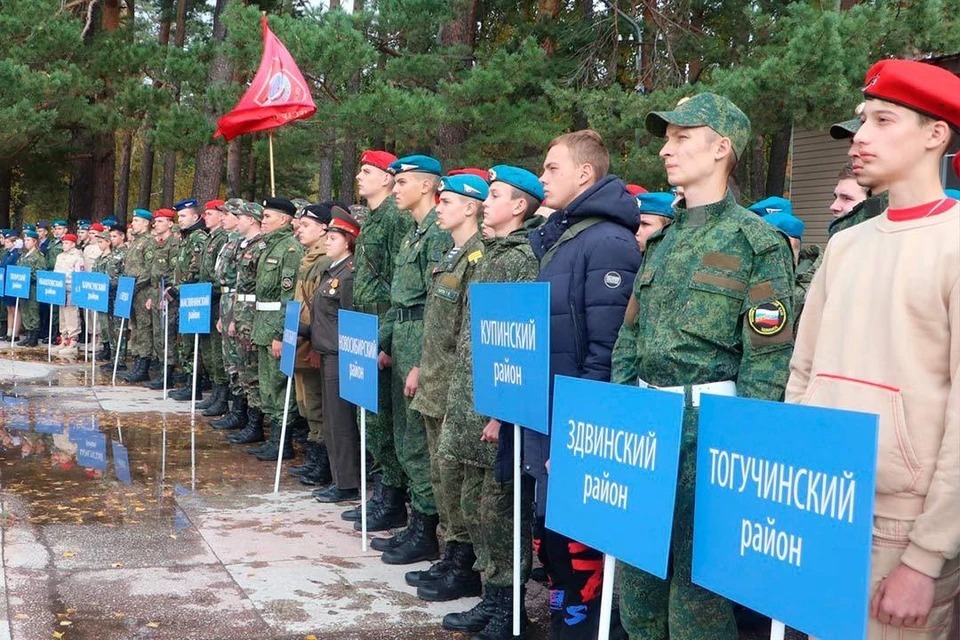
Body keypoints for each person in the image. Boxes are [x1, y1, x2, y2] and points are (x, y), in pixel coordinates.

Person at [611, 92, 796, 640]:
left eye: (681, 137)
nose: (667, 149)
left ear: (721, 148)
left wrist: (743, 451)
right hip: (647, 431)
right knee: (638, 591)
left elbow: (768, 360)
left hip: (709, 435)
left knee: (698, 603)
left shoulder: (756, 244)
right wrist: (622, 411)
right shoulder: (663, 240)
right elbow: (630, 335)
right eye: (666, 138)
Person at [787, 58, 960, 640]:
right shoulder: (846, 245)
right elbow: (802, 371)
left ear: (936, 134)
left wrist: (924, 559)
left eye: (884, 120)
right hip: (821, 504)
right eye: (863, 120)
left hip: (900, 527)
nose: (860, 137)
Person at [526, 129, 642, 639]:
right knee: (549, 529)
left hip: (574, 416)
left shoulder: (608, 242)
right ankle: (563, 613)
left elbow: (608, 348)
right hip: (546, 406)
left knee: (577, 536)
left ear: (584, 174)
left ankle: (583, 622)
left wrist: (579, 428)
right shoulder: (564, 236)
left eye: (552, 168)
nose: (542, 177)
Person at [439, 165, 544, 640]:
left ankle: (511, 609)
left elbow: (518, 345)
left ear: (519, 205)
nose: (486, 203)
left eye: (495, 194)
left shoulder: (523, 258)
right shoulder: (490, 254)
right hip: (470, 398)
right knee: (477, 507)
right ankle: (492, 596)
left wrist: (504, 414)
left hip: (497, 408)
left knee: (501, 512)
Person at [408, 173, 488, 602]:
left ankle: (465, 562)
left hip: (456, 389)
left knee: (458, 480)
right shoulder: (452, 255)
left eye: (448, 201)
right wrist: (420, 366)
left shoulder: (478, 259)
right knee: (442, 478)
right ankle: (453, 550)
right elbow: (436, 326)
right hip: (435, 382)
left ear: (472, 207)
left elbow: (466, 335)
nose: (439, 206)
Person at [370, 154, 452, 565]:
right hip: (402, 334)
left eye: (401, 183)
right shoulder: (414, 235)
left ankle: (426, 529)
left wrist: (421, 361)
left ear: (426, 186)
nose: (395, 188)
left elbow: (437, 307)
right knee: (405, 436)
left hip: (420, 338)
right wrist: (383, 342)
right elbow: (400, 300)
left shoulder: (438, 234)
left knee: (420, 440)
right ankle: (416, 522)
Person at [342, 149, 412, 532]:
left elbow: (399, 285)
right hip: (365, 324)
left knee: (384, 418)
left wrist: (385, 340)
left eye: (367, 171)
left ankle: (393, 498)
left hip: (383, 325)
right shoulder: (373, 219)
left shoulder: (397, 220)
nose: (359, 177)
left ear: (387, 177)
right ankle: (384, 490)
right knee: (369, 414)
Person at [306, 210, 363, 502]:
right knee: (331, 421)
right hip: (328, 352)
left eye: (333, 237)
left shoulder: (348, 275)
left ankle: (347, 483)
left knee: (341, 422)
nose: (327, 242)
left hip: (342, 354)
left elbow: (350, 318)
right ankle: (338, 477)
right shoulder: (332, 271)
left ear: (349, 241)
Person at [248, 197, 304, 462]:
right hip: (263, 323)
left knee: (280, 386)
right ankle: (274, 438)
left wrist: (280, 334)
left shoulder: (290, 250)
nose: (263, 221)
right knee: (268, 385)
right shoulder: (271, 246)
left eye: (268, 216)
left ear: (284, 219)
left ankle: (282, 442)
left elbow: (289, 296)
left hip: (275, 327)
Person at [289, 202, 334, 488]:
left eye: (306, 225)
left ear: (323, 229)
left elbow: (321, 310)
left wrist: (316, 345)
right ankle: (315, 456)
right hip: (301, 338)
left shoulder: (323, 262)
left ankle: (322, 461)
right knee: (306, 403)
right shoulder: (308, 259)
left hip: (312, 341)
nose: (299, 229)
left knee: (317, 404)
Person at [225, 202, 269, 446]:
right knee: (241, 364)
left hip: (252, 309)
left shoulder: (261, 247)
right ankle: (243, 414)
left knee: (251, 367)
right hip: (240, 307)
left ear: (252, 219)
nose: (236, 220)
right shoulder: (244, 245)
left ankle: (256, 424)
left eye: (240, 217)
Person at [209, 199, 248, 431]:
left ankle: (239, 410)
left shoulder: (241, 243)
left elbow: (240, 281)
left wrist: (231, 314)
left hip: (236, 300)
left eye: (228, 215)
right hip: (226, 299)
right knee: (228, 357)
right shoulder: (231, 241)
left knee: (237, 360)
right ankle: (228, 401)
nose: (223, 218)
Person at [169, 198, 209, 401]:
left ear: (195, 216)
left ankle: (194, 385)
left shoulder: (198, 237)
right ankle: (188, 381)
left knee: (191, 343)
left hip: (192, 295)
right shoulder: (187, 237)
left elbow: (195, 268)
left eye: (183, 216)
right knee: (185, 341)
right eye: (179, 216)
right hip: (184, 295)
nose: (180, 219)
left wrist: (177, 289)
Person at [196, 200, 232, 417]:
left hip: (218, 297)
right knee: (210, 350)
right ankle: (217, 392)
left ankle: (222, 394)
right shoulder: (212, 238)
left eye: (210, 213)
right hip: (207, 297)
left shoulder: (223, 238)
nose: (205, 217)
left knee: (218, 351)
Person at [145, 208, 181, 390]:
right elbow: (153, 273)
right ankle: (161, 369)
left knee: (167, 334)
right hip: (156, 292)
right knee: (158, 334)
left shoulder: (173, 244)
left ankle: (168, 372)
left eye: (160, 221)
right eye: (155, 221)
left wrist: (168, 293)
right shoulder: (156, 243)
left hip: (168, 294)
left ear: (169, 223)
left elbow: (175, 272)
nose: (155, 224)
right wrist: (152, 296)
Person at [121, 210, 158, 383]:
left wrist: (136, 286)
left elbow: (149, 269)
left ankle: (143, 366)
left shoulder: (149, 242)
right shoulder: (136, 242)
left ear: (145, 223)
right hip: (132, 289)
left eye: (136, 220)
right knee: (135, 326)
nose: (133, 223)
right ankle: (136, 363)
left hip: (143, 291)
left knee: (144, 328)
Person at [52, 233, 86, 357]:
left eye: (66, 243)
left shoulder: (77, 257)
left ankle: (73, 341)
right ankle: (64, 338)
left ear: (73, 244)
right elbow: (56, 271)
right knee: (62, 315)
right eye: (63, 243)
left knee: (71, 313)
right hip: (60, 287)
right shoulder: (60, 256)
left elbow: (79, 274)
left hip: (71, 287)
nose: (64, 245)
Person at [100, 225, 128, 371]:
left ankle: (120, 360)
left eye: (115, 236)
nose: (112, 239)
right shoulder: (112, 253)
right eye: (110, 237)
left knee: (119, 328)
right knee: (110, 327)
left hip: (119, 293)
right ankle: (113, 357)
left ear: (122, 236)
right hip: (108, 294)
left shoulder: (125, 253)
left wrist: (113, 284)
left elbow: (125, 274)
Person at [16, 230, 45, 347]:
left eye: (28, 240)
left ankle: (34, 337)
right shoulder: (24, 255)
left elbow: (40, 272)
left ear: (35, 241)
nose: (26, 242)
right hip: (23, 287)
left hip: (33, 287)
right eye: (25, 240)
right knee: (25, 310)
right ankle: (28, 335)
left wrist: (28, 277)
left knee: (33, 311)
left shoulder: (39, 256)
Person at [1, 231, 22, 342]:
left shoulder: (16, 254)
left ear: (14, 242)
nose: (5, 243)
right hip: (5, 283)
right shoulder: (7, 253)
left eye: (8, 241)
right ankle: (9, 332)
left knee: (15, 309)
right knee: (9, 309)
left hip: (12, 283)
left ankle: (15, 333)